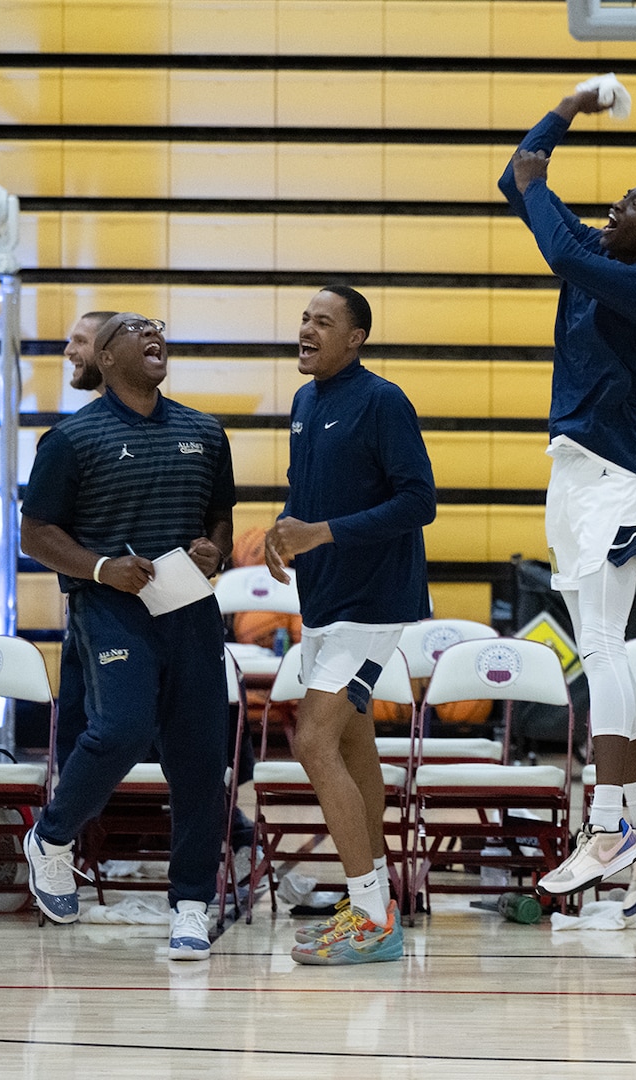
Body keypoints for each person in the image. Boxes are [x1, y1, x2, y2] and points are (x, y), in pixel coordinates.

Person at [499, 84, 636, 909]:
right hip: (572, 476)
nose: (616, 205)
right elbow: (517, 180)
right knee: (596, 652)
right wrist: (566, 111)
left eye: (633, 204)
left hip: (619, 481)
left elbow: (556, 244)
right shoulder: (597, 251)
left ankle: (609, 819)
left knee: (608, 651)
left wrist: (543, 185)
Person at [20, 313, 236, 961]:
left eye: (158, 328)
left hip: (189, 607)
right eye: (135, 329)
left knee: (201, 757)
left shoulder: (205, 432)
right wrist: (100, 567)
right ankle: (52, 838)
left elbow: (220, 517)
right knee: (123, 728)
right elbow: (35, 535)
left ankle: (191, 904)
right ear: (107, 358)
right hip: (109, 605)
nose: (154, 335)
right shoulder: (70, 439)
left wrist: (213, 551)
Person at [263, 286, 434, 965]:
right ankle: (379, 900)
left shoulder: (383, 401)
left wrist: (321, 533)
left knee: (313, 740)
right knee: (356, 748)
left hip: (373, 601)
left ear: (356, 337)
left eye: (323, 322)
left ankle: (370, 914)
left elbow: (419, 501)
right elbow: (308, 493)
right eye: (305, 318)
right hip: (326, 601)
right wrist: (286, 529)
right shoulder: (306, 404)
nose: (307, 329)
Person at [55, 310, 116, 775]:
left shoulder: (177, 428)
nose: (68, 352)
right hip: (88, 600)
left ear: (110, 352)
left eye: (79, 341)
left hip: (138, 606)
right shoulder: (73, 434)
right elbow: (40, 531)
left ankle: (230, 828)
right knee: (76, 724)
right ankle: (77, 836)